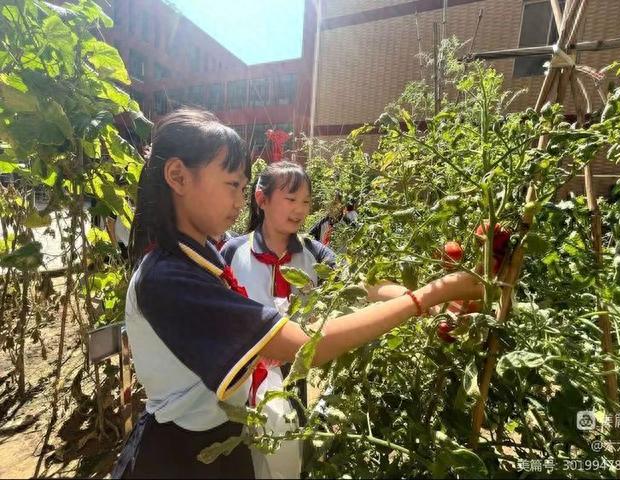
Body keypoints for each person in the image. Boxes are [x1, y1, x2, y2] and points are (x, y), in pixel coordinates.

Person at [111, 108, 482, 479]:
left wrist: (420, 296)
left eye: (243, 187)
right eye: (231, 185)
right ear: (178, 176)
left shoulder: (204, 260)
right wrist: (429, 295)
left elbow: (358, 282)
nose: (238, 201)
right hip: (184, 457)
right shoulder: (173, 277)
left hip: (223, 434)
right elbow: (306, 346)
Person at [221, 161, 335, 478]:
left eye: (306, 202)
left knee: (288, 439)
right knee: (243, 451)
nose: (299, 210)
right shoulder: (233, 251)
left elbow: (353, 281)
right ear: (262, 199)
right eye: (290, 199)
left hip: (292, 369)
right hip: (242, 374)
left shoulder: (314, 254)